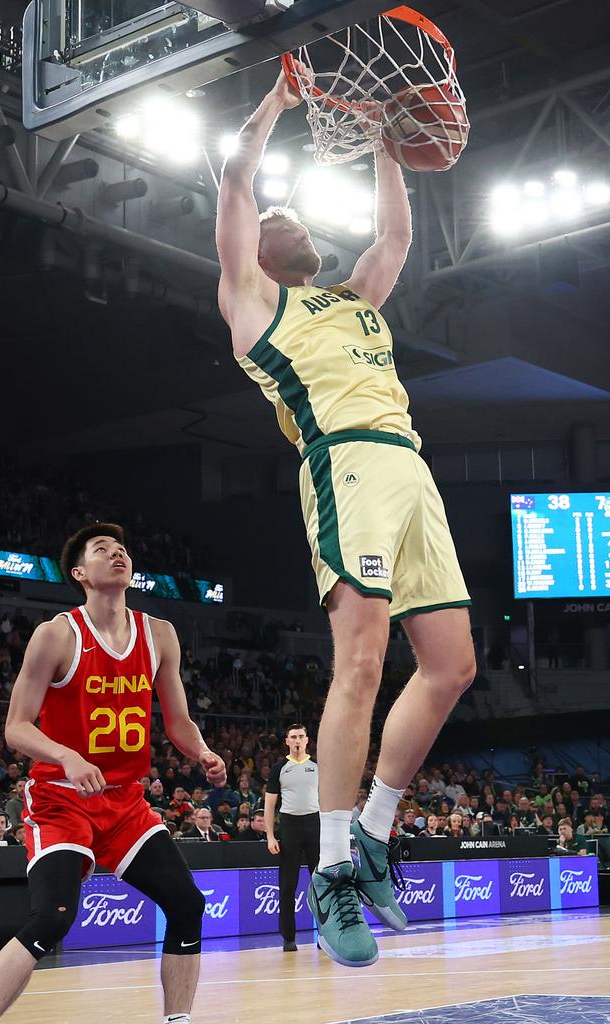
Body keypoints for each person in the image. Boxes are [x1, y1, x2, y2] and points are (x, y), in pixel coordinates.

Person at [216, 60, 474, 968]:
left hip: (410, 465)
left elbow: (396, 236)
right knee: (361, 659)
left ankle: (371, 829)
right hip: (344, 463)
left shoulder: (353, 299)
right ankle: (327, 868)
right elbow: (239, 179)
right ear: (255, 249)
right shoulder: (255, 304)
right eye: (287, 222)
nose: (301, 223)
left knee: (450, 666)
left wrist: (386, 145)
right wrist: (277, 105)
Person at [0, 523, 226, 1024]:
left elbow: (178, 722)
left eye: (122, 549)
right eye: (102, 550)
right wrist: (66, 755)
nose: (117, 554)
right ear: (81, 573)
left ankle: (178, 1020)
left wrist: (203, 752)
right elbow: (16, 727)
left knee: (187, 904)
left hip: (125, 802)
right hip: (61, 798)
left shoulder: (160, 634)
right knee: (51, 917)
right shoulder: (57, 634)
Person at [264, 724, 320, 953]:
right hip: (289, 826)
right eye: (293, 737)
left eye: (301, 736)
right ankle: (288, 938)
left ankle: (326, 935)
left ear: (307, 740)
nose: (297, 740)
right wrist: (270, 836)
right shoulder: (279, 768)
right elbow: (269, 805)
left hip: (315, 825)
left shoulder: (318, 766)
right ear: (286, 741)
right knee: (288, 885)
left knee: (321, 884)